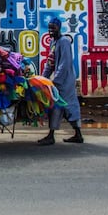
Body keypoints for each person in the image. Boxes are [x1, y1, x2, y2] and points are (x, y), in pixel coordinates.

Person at [38, 17, 84, 145]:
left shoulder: (64, 42)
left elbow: (64, 64)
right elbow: (50, 63)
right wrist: (42, 78)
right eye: (49, 27)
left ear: (59, 27)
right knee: (58, 106)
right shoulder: (54, 42)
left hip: (66, 81)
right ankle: (72, 134)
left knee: (67, 106)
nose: (51, 30)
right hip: (59, 80)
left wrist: (55, 81)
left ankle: (56, 135)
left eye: (53, 27)